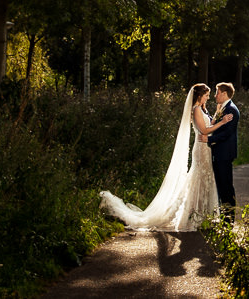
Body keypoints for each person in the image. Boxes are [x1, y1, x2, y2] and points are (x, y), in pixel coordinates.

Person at [98, 83, 221, 231]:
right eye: (206, 95)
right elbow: (204, 130)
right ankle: (192, 216)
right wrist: (223, 123)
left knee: (205, 178)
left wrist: (218, 115)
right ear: (200, 96)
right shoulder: (195, 110)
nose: (208, 98)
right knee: (198, 178)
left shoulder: (201, 109)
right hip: (201, 149)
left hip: (206, 149)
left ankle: (202, 215)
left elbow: (209, 124)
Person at [207, 82, 240, 217]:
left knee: (226, 187)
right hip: (220, 153)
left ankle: (229, 220)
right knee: (221, 186)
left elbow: (227, 133)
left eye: (217, 92)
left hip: (224, 154)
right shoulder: (223, 108)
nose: (215, 95)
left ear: (224, 94)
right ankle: (224, 218)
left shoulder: (231, 109)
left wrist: (208, 139)